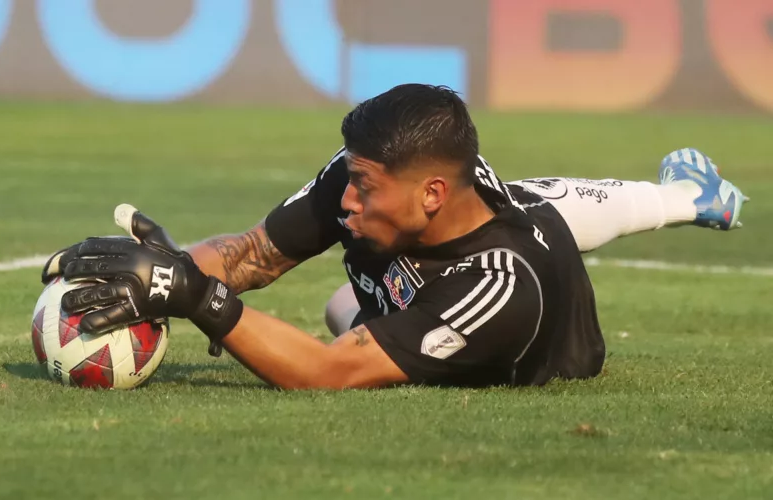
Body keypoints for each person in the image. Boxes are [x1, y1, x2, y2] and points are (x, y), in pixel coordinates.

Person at [41, 84, 748, 390]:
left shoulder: (498, 288)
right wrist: (160, 271)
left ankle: (689, 196)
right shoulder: (373, 179)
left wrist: (193, 295)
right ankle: (688, 195)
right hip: (477, 229)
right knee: (536, 201)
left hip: (518, 337)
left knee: (340, 319)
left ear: (431, 194)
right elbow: (252, 255)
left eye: (365, 187)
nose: (344, 199)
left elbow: (325, 373)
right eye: (348, 178)